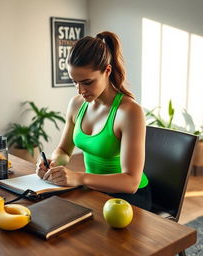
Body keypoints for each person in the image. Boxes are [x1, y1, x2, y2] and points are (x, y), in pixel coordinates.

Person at [36, 31, 152, 211]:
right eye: (74, 82)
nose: (80, 90)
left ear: (107, 71)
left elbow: (131, 182)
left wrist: (80, 178)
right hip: (93, 189)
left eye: (87, 82)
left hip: (129, 197)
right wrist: (53, 164)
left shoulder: (130, 112)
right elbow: (64, 150)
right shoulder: (76, 104)